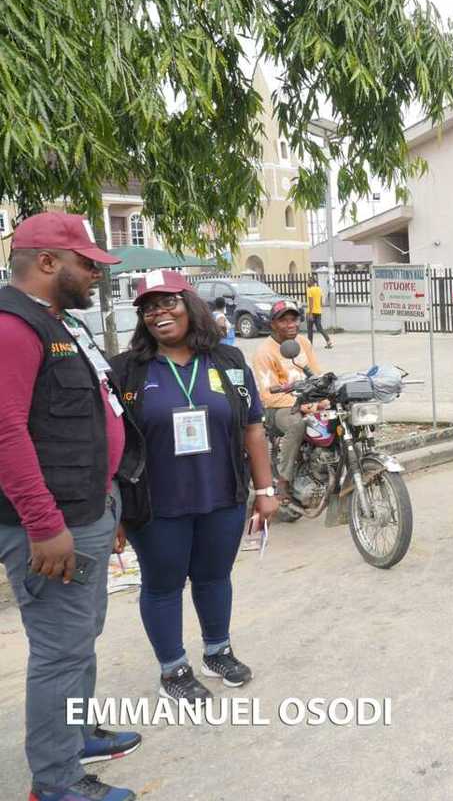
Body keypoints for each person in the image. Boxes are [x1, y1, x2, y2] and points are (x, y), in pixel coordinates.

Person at [0, 213, 143, 801]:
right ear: (47, 262)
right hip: (51, 525)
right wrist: (44, 524)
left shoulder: (56, 321)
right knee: (60, 649)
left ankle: (76, 733)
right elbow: (6, 432)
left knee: (82, 634)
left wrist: (108, 503)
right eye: (86, 263)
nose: (95, 274)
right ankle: (56, 782)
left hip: (87, 510)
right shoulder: (13, 328)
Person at [110, 271, 278, 702]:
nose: (158, 313)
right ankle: (173, 670)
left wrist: (265, 491)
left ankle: (217, 651)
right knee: (163, 584)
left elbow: (253, 428)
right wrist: (110, 511)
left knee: (214, 576)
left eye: (168, 302)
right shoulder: (125, 370)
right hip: (155, 504)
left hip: (221, 495)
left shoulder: (228, 360)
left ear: (191, 306)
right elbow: (108, 444)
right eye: (149, 308)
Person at [251, 300, 323, 501]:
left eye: (294, 319)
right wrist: (302, 405)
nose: (291, 325)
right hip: (277, 407)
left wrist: (324, 395)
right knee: (297, 424)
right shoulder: (264, 352)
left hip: (306, 402)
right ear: (273, 324)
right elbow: (268, 395)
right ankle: (284, 479)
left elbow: (316, 374)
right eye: (284, 320)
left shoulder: (303, 343)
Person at [305, 275, 333, 349]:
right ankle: (328, 341)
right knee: (320, 328)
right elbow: (321, 302)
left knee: (310, 329)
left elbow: (311, 302)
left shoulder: (309, 290)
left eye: (308, 281)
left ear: (311, 282)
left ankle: (309, 345)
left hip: (311, 312)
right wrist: (318, 308)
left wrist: (310, 313)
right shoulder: (319, 289)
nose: (307, 282)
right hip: (318, 311)